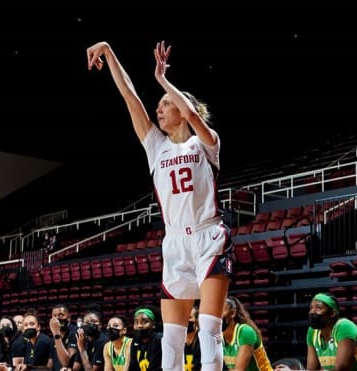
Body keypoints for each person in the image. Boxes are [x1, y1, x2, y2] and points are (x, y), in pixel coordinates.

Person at [87, 39, 233, 371]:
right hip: (174, 243)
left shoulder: (207, 143)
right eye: (160, 104)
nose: (159, 109)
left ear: (182, 109)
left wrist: (164, 80)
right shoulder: (156, 146)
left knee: (209, 330)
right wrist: (110, 51)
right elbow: (130, 97)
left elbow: (194, 114)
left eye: (166, 104)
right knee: (171, 338)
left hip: (208, 236)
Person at [306, 292, 357, 371]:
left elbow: (341, 369)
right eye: (311, 308)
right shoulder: (312, 331)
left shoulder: (344, 327)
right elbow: (311, 368)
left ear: (332, 313)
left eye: (318, 308)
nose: (312, 312)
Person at [221, 296, 273, 371]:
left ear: (232, 313)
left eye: (221, 312)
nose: (217, 317)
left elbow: (239, 370)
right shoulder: (219, 336)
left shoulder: (245, 331)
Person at [128, 306, 163, 371]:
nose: (139, 325)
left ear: (154, 324)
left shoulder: (159, 339)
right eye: (136, 322)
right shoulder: (135, 341)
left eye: (145, 322)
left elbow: (155, 368)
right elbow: (133, 366)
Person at [50, 303, 79, 371]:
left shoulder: (75, 332)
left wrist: (57, 334)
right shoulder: (53, 337)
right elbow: (49, 365)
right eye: (54, 316)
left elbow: (67, 363)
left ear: (69, 318)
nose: (57, 318)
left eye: (61, 315)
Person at [184, 306, 201, 371]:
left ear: (197, 320)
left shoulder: (202, 340)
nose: (186, 320)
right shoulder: (177, 339)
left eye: (189, 318)